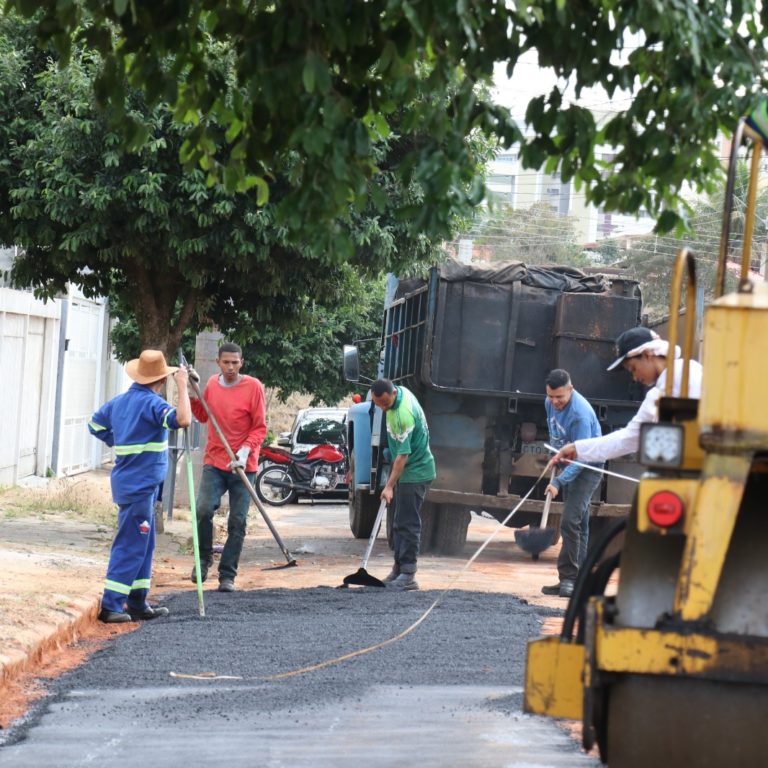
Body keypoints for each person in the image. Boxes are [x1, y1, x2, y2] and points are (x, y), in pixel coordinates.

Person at [89, 350, 191, 623]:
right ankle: (111, 605)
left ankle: (137, 602)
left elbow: (94, 424)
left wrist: (116, 440)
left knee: (145, 543)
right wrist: (183, 386)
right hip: (139, 485)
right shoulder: (152, 404)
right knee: (132, 543)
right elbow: (183, 420)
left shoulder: (119, 403)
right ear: (161, 379)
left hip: (136, 483)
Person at [551, 326, 703, 467]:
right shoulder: (692, 369)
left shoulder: (663, 392)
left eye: (633, 368)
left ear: (647, 354)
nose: (635, 377)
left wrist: (577, 448)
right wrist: (578, 448)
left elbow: (629, 439)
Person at [189, 342, 267, 592]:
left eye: (235, 362)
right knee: (202, 509)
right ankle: (202, 560)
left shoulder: (253, 387)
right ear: (218, 363)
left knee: (238, 520)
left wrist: (244, 451)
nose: (231, 367)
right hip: (215, 460)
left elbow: (260, 427)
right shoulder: (211, 384)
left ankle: (227, 574)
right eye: (226, 362)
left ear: (241, 362)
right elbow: (203, 415)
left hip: (244, 465)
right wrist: (193, 391)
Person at [541, 369, 603, 598]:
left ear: (571, 389)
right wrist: (556, 456)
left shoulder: (580, 415)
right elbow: (554, 433)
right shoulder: (549, 403)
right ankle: (579, 580)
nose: (555, 402)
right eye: (551, 396)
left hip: (588, 468)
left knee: (569, 521)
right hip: (568, 462)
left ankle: (568, 578)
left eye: (560, 397)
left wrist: (558, 481)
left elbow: (584, 458)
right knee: (580, 525)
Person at [370, 378, 436, 591]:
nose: (382, 408)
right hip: (408, 471)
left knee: (407, 524)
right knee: (398, 523)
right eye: (378, 404)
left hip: (415, 472)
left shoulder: (402, 415)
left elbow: (402, 457)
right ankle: (398, 569)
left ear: (393, 396)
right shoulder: (400, 392)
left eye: (385, 404)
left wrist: (388, 486)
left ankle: (409, 575)